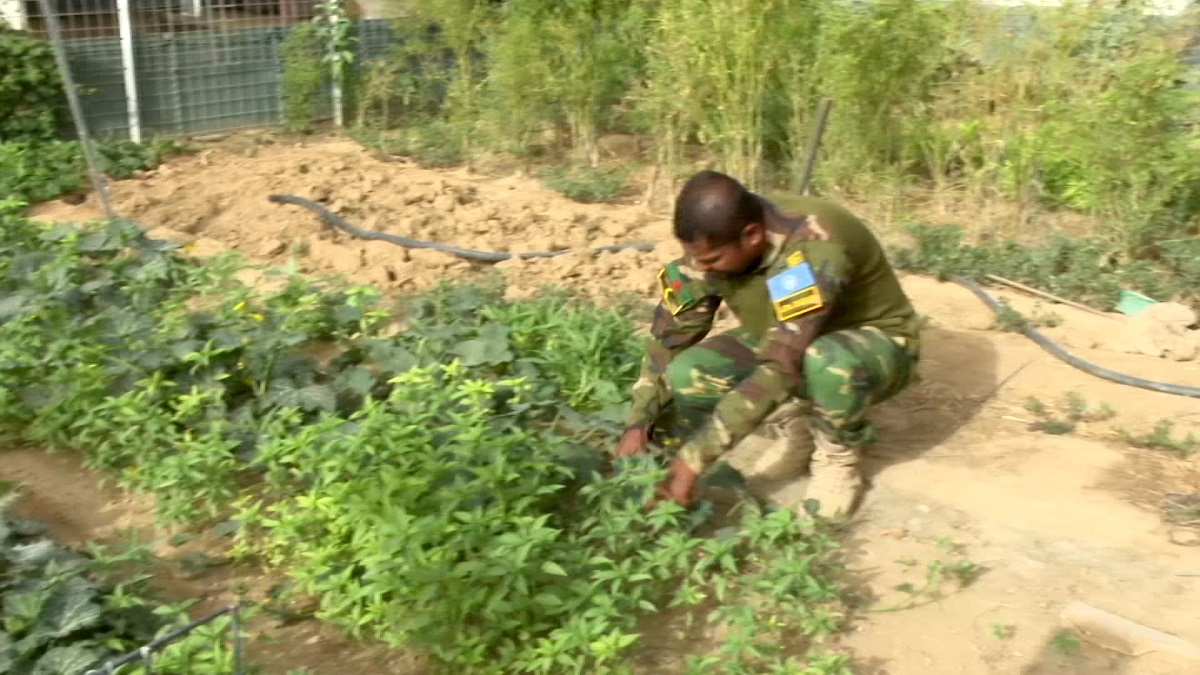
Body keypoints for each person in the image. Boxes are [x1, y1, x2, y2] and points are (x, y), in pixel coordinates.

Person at [615, 170, 921, 519]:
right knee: (689, 372)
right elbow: (669, 337)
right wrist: (640, 421)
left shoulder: (810, 247)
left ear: (753, 236)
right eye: (693, 257)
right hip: (787, 335)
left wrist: (691, 463)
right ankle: (799, 426)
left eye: (712, 261)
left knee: (824, 361)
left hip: (873, 343)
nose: (700, 268)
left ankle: (837, 454)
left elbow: (780, 366)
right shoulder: (711, 246)